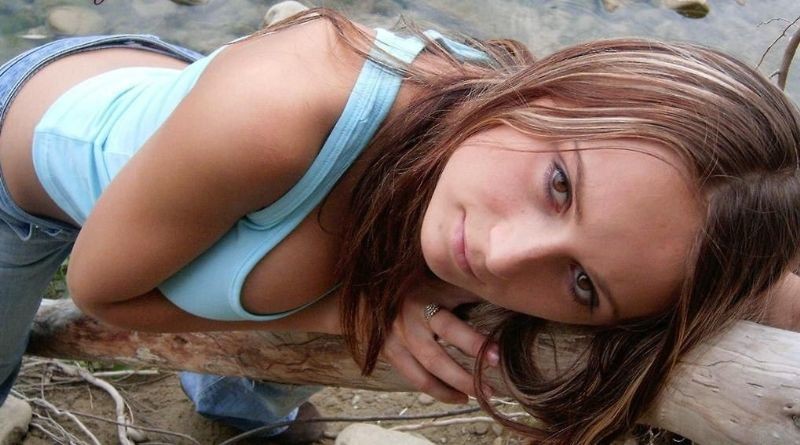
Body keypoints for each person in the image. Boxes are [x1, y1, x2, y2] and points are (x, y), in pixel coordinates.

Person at [1, 5, 799, 445]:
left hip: (184, 143)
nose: (500, 255)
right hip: (27, 169)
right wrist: (347, 316)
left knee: (270, 341)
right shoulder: (278, 116)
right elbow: (104, 294)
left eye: (583, 282)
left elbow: (766, 291)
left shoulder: (588, 196)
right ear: (550, 89)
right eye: (559, 186)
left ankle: (236, 413)